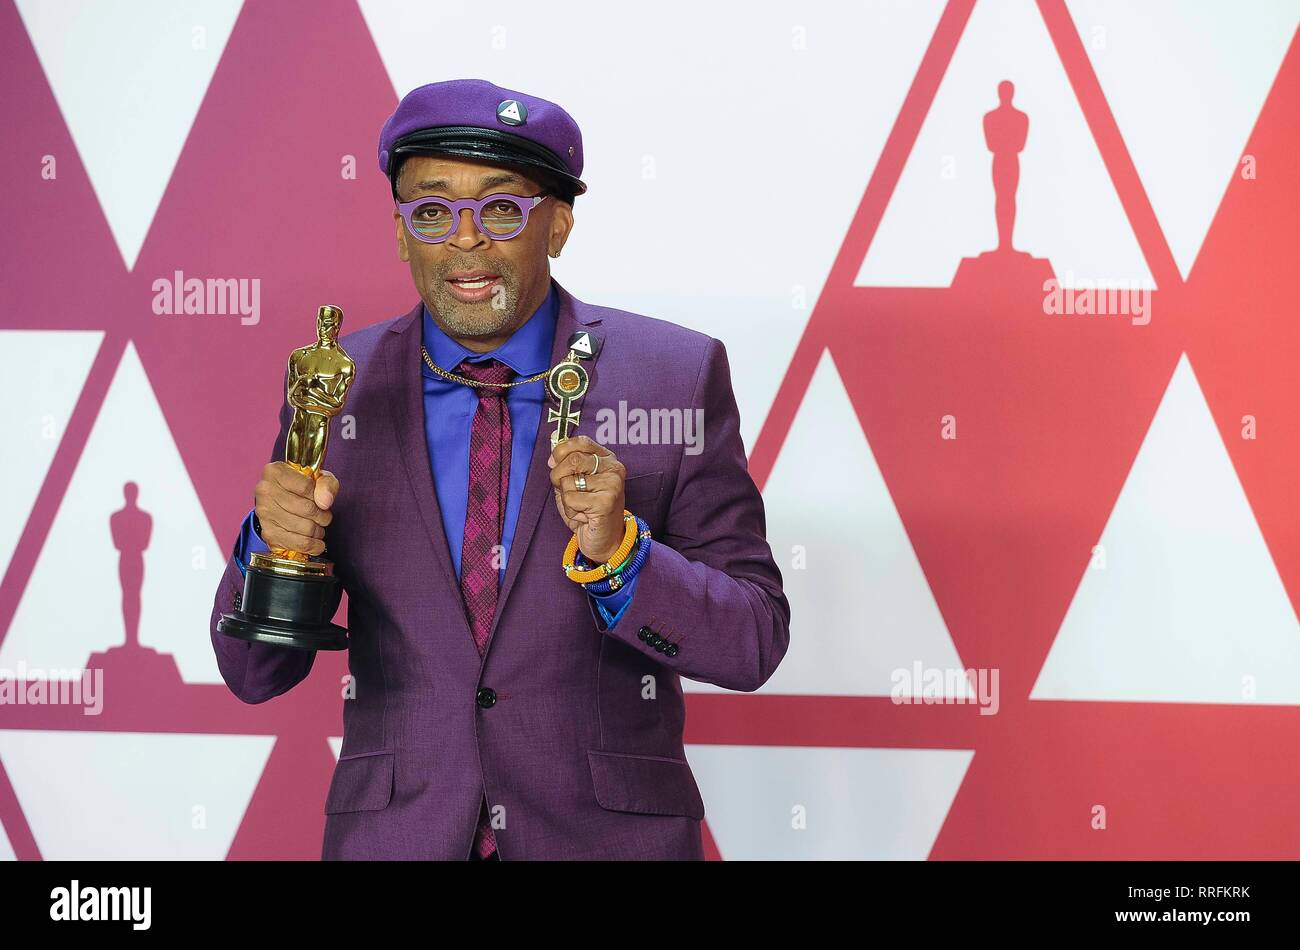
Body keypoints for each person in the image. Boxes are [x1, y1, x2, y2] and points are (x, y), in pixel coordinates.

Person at [208, 78, 790, 860]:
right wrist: (271, 545)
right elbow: (254, 670)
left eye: (501, 209)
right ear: (401, 231)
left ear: (559, 225)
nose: (466, 241)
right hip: (397, 836)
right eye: (433, 210)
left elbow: (753, 639)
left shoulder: (672, 376)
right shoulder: (333, 382)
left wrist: (622, 555)